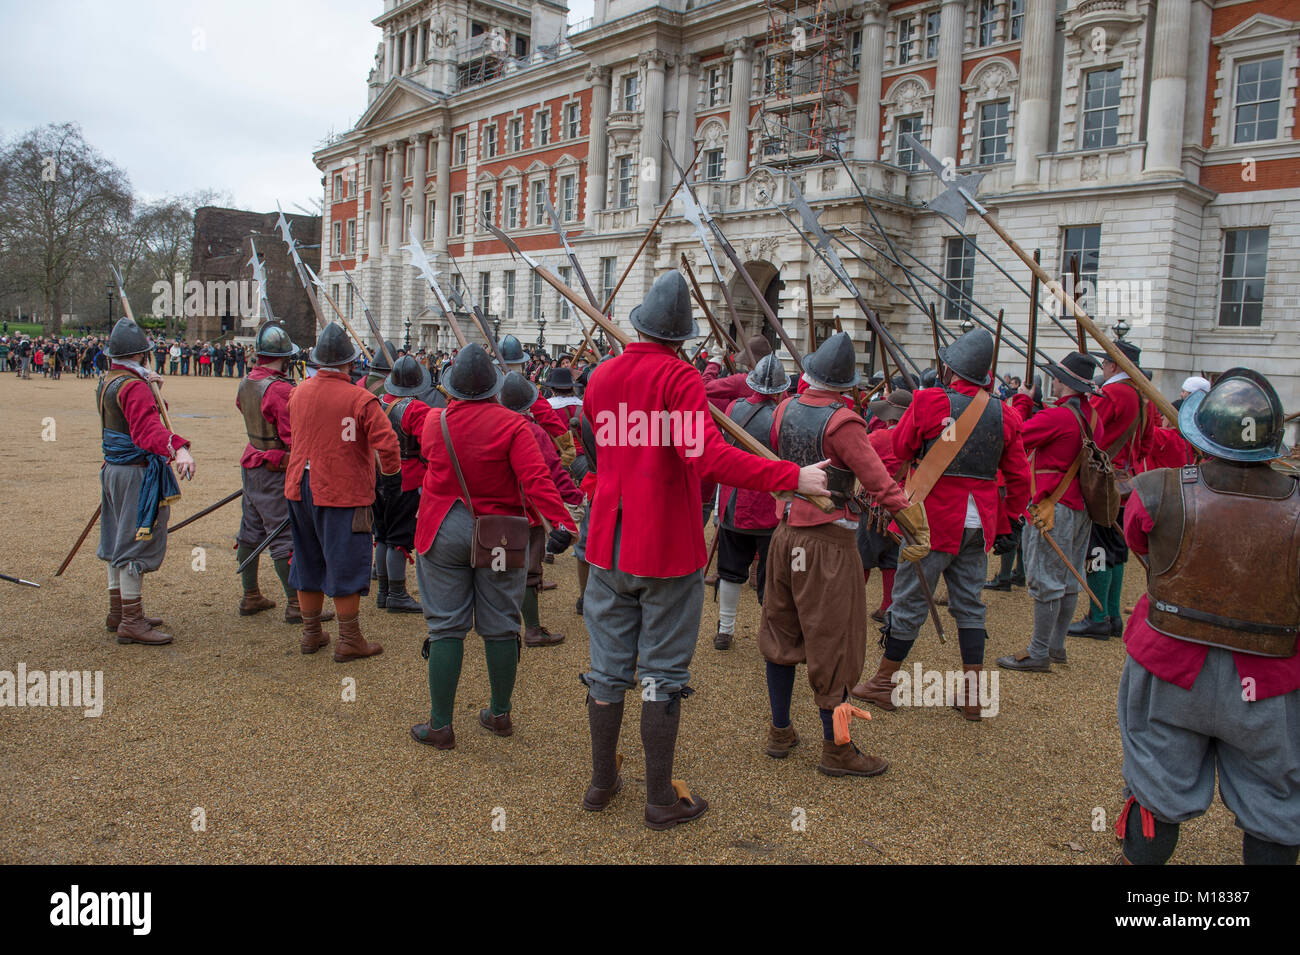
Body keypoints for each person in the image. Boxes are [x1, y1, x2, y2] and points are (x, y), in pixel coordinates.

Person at [579, 271, 830, 829]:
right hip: (665, 544)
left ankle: (601, 782)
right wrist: (791, 476)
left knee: (607, 668)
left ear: (640, 324)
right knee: (661, 672)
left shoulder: (602, 376)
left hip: (607, 543)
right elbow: (707, 459)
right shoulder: (679, 377)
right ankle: (660, 799)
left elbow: (593, 441)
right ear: (681, 337)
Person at [1115, 368, 1299, 866]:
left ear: (1201, 435)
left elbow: (1141, 543)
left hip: (1171, 664)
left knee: (1155, 785)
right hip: (1270, 679)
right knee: (1277, 803)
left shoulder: (1156, 489)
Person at [758, 332, 929, 777]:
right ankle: (837, 749)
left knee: (782, 631)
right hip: (826, 544)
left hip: (785, 535)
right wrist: (913, 524)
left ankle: (780, 730)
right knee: (833, 643)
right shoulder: (845, 422)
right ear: (847, 383)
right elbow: (879, 482)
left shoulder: (782, 408)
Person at [855, 327, 1030, 720]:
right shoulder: (1005, 413)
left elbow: (900, 448)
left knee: (908, 602)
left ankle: (884, 683)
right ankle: (971, 694)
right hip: (979, 525)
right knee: (970, 606)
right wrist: (1009, 522)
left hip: (931, 519)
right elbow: (1019, 478)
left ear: (949, 371)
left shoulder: (929, 401)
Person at [408, 346, 578, 750]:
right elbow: (537, 480)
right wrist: (564, 523)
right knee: (502, 624)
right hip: (499, 535)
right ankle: (499, 715)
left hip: (443, 529)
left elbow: (403, 411)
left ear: (451, 389)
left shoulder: (436, 421)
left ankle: (440, 725)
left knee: (447, 627)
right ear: (494, 388)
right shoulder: (514, 426)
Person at [284, 322, 401, 660]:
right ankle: (349, 640)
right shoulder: (361, 399)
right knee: (345, 560)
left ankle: (311, 633)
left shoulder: (298, 392)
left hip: (299, 487)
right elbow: (388, 444)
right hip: (341, 490)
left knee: (307, 557)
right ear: (350, 363)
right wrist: (391, 476)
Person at [996, 351, 1102, 672]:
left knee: (1046, 580)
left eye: (1056, 377)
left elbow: (1016, 436)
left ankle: (1039, 651)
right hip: (1080, 508)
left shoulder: (1058, 417)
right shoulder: (1091, 416)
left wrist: (1023, 401)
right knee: (1070, 578)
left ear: (1064, 383)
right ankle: (1056, 645)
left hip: (1052, 507)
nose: (1053, 382)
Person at [95, 318, 197, 645]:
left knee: (116, 539)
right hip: (134, 471)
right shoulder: (133, 386)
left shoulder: (109, 380)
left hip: (114, 469)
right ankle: (131, 621)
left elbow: (138, 419)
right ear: (142, 355)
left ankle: (119, 611)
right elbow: (147, 431)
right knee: (134, 541)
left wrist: (156, 390)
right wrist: (177, 448)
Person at [234, 322, 331, 625]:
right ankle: (295, 604)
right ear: (285, 357)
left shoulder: (247, 381)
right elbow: (294, 434)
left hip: (253, 461)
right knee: (282, 533)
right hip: (276, 466)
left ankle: (251, 595)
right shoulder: (280, 390)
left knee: (251, 530)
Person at [1068, 338, 1154, 640]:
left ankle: (1098, 615)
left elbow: (1090, 430)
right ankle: (1113, 616)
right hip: (1126, 478)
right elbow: (1146, 445)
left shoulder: (1112, 393)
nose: (1103, 366)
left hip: (1104, 481)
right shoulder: (1144, 397)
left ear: (1114, 365)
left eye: (1105, 362)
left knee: (1098, 548)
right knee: (1116, 549)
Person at [500, 371, 585, 646]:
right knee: (527, 571)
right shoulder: (533, 431)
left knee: (499, 566)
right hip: (526, 512)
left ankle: (499, 623)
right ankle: (532, 629)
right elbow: (553, 474)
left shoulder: (489, 425)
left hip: (491, 514)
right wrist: (574, 498)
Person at [713, 353, 788, 650]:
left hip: (733, 501)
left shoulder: (732, 407)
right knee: (772, 578)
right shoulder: (785, 414)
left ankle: (726, 630)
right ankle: (769, 634)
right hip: (769, 506)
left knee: (731, 570)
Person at [375, 354, 442, 614]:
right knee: (398, 538)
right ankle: (397, 593)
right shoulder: (415, 409)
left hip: (380, 475)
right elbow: (430, 445)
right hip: (407, 479)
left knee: (381, 536)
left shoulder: (380, 401)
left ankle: (383, 591)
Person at [856, 387, 913, 625]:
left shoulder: (878, 438)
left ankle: (853, 606)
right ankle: (887, 607)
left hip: (874, 505)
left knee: (862, 558)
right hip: (903, 506)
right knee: (891, 559)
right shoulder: (913, 441)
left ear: (888, 416)